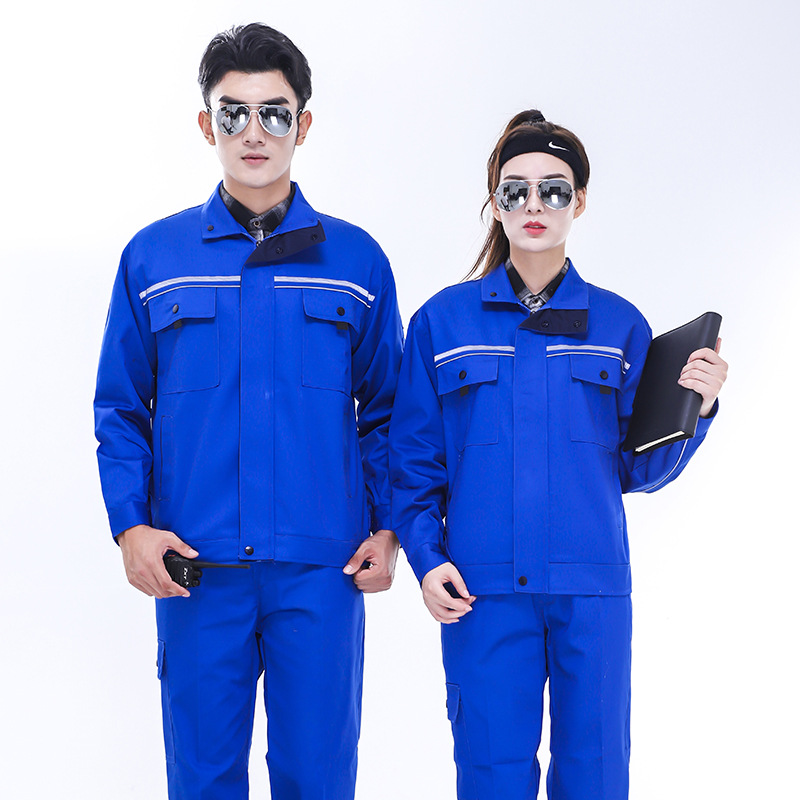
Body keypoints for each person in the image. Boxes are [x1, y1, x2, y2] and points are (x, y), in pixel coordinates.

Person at [94, 23, 402, 800]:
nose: (253, 132)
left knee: (320, 781)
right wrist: (131, 528)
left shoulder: (357, 262)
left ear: (304, 124)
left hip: (323, 570)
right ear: (207, 125)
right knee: (201, 782)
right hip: (195, 569)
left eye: (274, 113)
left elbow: (389, 412)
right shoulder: (154, 258)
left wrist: (389, 528)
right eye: (234, 113)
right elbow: (121, 408)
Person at [389, 110, 727, 800]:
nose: (534, 205)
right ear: (495, 203)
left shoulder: (619, 325)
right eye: (515, 191)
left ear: (580, 202)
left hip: (592, 591)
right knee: (491, 778)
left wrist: (698, 410)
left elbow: (636, 467)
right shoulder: (442, 322)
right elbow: (414, 463)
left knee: (596, 776)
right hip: (480, 591)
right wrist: (426, 559)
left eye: (554, 190)